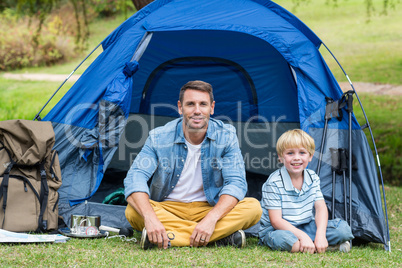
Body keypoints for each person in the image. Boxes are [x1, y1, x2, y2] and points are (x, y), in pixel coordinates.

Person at [124, 80, 262, 250]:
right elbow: (135, 177)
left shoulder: (226, 137)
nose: (197, 111)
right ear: (180, 107)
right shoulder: (159, 137)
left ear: (211, 108)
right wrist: (150, 217)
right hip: (169, 208)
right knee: (132, 210)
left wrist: (211, 219)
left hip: (208, 207)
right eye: (190, 104)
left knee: (253, 208)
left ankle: (169, 237)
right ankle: (217, 237)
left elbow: (236, 183)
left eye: (203, 104)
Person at [259, 129, 354, 253]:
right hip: (278, 230)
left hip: (306, 226)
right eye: (290, 153)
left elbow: (320, 208)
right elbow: (276, 221)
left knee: (343, 230)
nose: (296, 158)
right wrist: (302, 236)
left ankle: (311, 244)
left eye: (302, 153)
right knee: (286, 241)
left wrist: (320, 235)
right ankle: (325, 247)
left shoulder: (312, 177)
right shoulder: (274, 182)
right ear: (281, 157)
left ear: (310, 156)